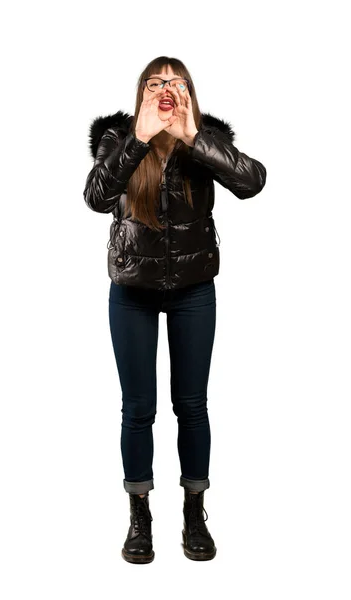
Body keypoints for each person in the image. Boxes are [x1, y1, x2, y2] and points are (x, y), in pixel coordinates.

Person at [83, 56, 267, 564]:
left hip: (192, 290)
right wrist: (139, 139)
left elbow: (252, 181)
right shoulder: (117, 140)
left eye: (175, 81)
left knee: (192, 405)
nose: (166, 88)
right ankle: (139, 514)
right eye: (155, 81)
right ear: (143, 92)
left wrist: (193, 138)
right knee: (138, 408)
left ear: (188, 92)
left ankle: (193, 511)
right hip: (132, 291)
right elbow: (96, 198)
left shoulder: (205, 140)